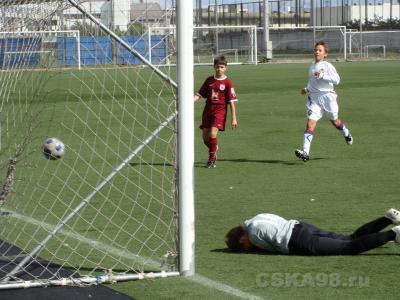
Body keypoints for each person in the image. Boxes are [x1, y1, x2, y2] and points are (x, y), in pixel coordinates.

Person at [224, 208, 400, 255]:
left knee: (350, 247)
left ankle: (394, 233)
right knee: (349, 238)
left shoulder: (254, 235)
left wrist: (255, 248)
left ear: (241, 239)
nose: (246, 247)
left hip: (299, 241)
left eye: (244, 246)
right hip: (300, 226)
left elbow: (270, 249)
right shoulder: (256, 217)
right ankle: (388, 218)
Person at [295, 41, 353, 162]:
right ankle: (305, 152)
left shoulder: (327, 66)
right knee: (310, 124)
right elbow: (312, 83)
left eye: (320, 50)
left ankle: (346, 132)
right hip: (314, 98)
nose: (317, 52)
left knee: (335, 122)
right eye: (316, 50)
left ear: (325, 54)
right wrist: (306, 89)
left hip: (328, 97)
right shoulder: (311, 67)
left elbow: (337, 80)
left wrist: (323, 76)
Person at [194, 55, 238, 168]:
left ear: (226, 68)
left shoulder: (228, 82)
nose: (220, 69)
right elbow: (199, 95)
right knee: (205, 138)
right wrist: (189, 101)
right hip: (208, 109)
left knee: (213, 134)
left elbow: (232, 101)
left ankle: (211, 159)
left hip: (220, 111)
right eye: (218, 67)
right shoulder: (209, 80)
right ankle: (214, 148)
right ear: (214, 67)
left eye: (222, 67)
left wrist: (234, 118)